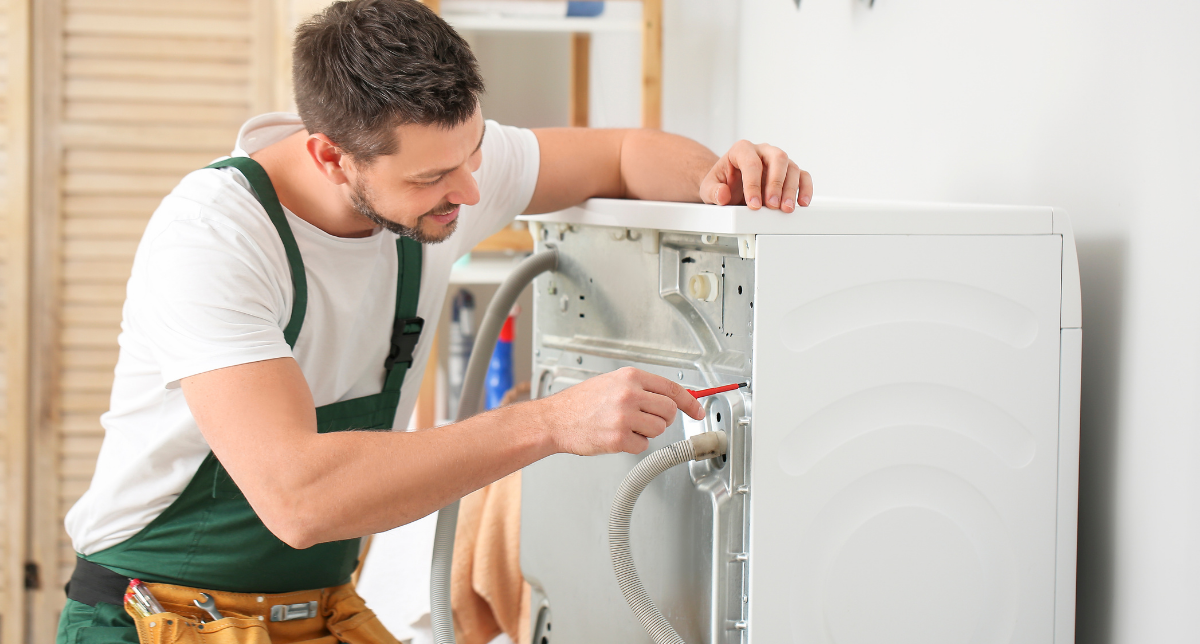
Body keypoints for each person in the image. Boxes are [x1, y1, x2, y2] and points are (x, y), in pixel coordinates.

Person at [57, 1, 814, 642]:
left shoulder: (445, 172)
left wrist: (718, 177)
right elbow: (299, 499)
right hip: (158, 613)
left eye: (474, 152)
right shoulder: (216, 236)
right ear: (330, 156)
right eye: (430, 178)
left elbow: (623, 152)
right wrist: (548, 424)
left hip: (314, 608)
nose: (468, 190)